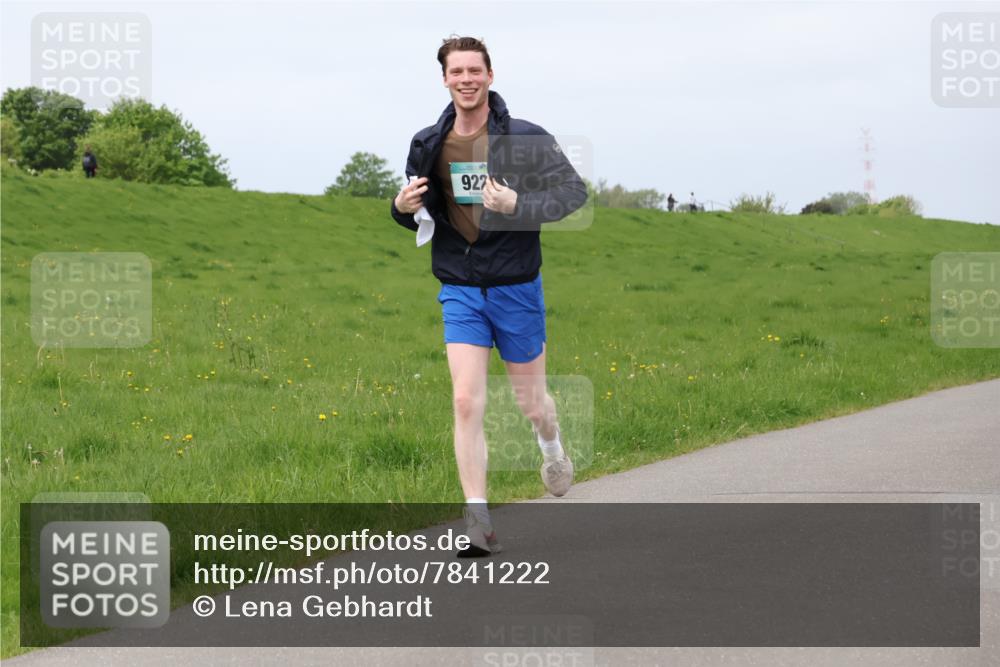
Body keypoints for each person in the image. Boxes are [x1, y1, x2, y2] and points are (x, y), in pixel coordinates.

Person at [391, 35, 587, 558]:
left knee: (531, 403)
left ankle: (551, 445)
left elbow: (574, 194)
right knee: (465, 400)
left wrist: (518, 203)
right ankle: (478, 521)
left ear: (490, 76)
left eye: (474, 71)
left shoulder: (527, 138)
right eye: (456, 72)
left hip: (515, 285)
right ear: (445, 79)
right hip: (460, 286)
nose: (466, 80)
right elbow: (419, 210)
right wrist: (400, 207)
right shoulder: (427, 143)